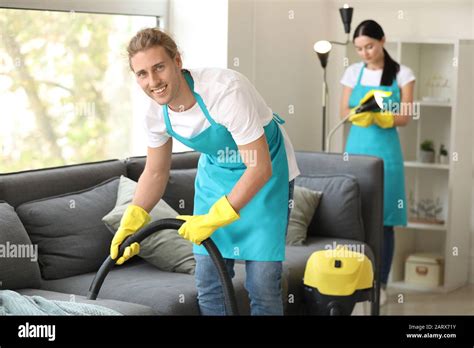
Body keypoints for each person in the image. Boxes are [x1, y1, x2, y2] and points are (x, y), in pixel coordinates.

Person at [109, 28, 300, 315]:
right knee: (210, 284)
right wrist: (134, 218)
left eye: (159, 67)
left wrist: (216, 218)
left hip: (266, 172)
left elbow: (258, 167)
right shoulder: (154, 113)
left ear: (177, 61)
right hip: (217, 175)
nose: (153, 82)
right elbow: (156, 172)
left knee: (261, 284)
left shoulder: (225, 91)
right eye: (142, 74)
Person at [339, 20, 415, 305]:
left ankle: (380, 285)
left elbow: (406, 116)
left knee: (384, 221)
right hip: (356, 151)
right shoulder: (351, 73)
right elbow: (343, 111)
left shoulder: (402, 74)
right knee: (353, 219)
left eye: (369, 46)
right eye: (359, 48)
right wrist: (360, 113)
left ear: (383, 40)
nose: (365, 53)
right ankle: (357, 280)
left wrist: (382, 115)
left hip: (387, 154)